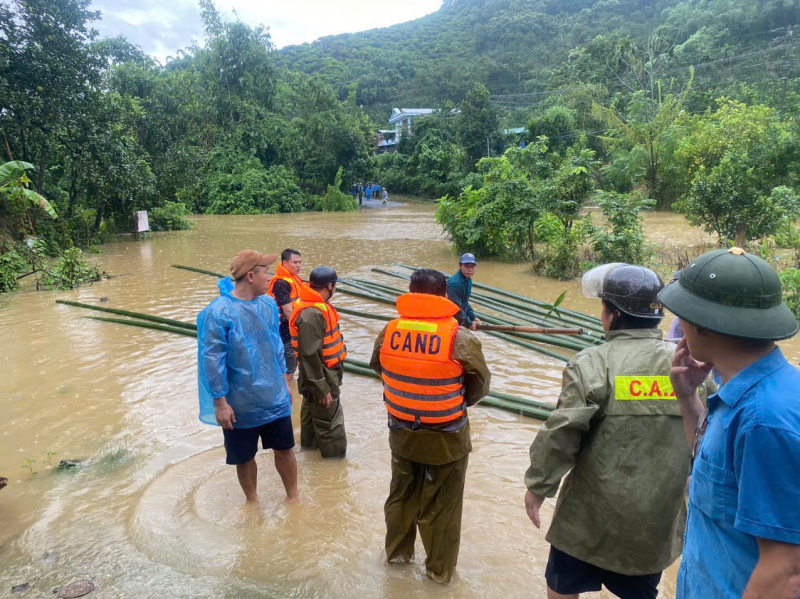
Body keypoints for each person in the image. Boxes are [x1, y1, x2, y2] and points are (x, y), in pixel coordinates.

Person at [524, 263, 716, 599]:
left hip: (587, 518)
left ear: (613, 314)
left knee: (562, 589)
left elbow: (561, 433)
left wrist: (539, 486)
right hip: (653, 522)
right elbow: (710, 440)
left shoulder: (591, 364)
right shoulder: (691, 368)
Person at [659, 247, 800, 599]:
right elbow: (717, 472)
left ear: (702, 325)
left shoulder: (765, 421)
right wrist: (687, 398)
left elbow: (785, 572)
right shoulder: (740, 392)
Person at [370, 268, 491, 583]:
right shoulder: (459, 337)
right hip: (446, 439)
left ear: (410, 295)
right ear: (445, 297)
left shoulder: (390, 331)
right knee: (442, 509)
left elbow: (379, 368)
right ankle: (438, 575)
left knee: (401, 498)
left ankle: (397, 560)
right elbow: (479, 386)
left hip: (401, 433)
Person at [197, 250, 298, 503]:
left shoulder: (267, 304)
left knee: (285, 449)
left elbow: (275, 345)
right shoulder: (219, 312)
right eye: (266, 271)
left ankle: (294, 498)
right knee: (244, 457)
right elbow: (212, 361)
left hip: (273, 396)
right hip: (239, 403)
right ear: (251, 276)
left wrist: (286, 382)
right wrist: (220, 403)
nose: (270, 277)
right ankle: (252, 502)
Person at [289, 265, 348, 458]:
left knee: (311, 418)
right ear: (329, 286)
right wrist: (321, 388)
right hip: (321, 376)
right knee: (330, 424)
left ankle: (310, 456)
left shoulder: (311, 307)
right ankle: (335, 470)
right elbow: (309, 354)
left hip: (315, 376)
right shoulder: (312, 313)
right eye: (335, 286)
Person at [267, 249, 304, 391]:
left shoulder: (294, 279)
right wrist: (300, 330)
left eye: (300, 262)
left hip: (291, 330)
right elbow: (288, 311)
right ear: (284, 263)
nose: (299, 265)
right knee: (289, 360)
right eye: (295, 262)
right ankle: (285, 391)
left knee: (291, 362)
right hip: (285, 332)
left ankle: (287, 385)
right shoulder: (282, 283)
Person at [446, 253, 482, 331]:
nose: (470, 270)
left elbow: (464, 301)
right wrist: (469, 323)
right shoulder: (454, 284)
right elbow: (456, 308)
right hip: (451, 322)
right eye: (466, 266)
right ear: (460, 265)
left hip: (459, 320)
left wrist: (473, 317)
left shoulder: (468, 280)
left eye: (472, 266)